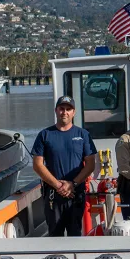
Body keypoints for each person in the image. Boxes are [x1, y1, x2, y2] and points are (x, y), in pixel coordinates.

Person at [31, 96, 97, 237]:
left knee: (75, 235)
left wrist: (72, 183)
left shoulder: (83, 135)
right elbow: (37, 165)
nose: (64, 112)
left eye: (68, 109)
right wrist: (58, 186)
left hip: (75, 194)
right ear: (56, 110)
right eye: (61, 108)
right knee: (55, 236)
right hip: (53, 196)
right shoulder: (45, 135)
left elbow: (90, 164)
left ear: (74, 112)